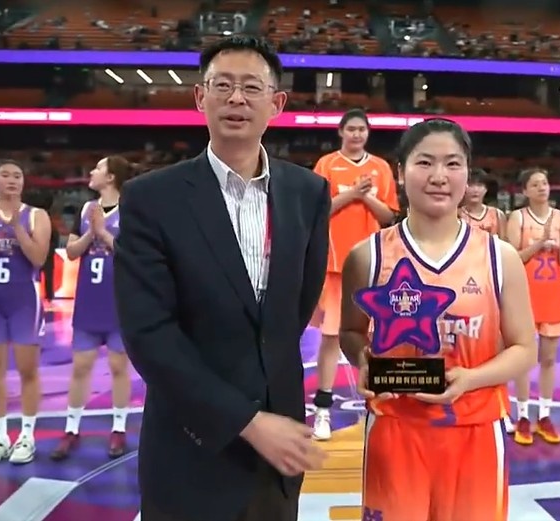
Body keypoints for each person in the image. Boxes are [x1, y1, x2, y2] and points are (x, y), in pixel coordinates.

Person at [113, 36, 329, 521]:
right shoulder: (151, 198)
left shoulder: (308, 193)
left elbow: (291, 314)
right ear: (200, 97)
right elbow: (149, 334)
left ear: (276, 104)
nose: (236, 98)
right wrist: (246, 421)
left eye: (252, 87)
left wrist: (267, 420)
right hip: (189, 450)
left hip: (277, 456)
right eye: (223, 85)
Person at [340, 119, 538, 521]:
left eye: (452, 164)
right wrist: (364, 361)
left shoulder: (500, 256)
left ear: (468, 174)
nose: (439, 176)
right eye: (425, 162)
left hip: (476, 430)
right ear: (400, 172)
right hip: (396, 428)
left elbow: (524, 349)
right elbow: (350, 332)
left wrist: (471, 379)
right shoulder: (367, 256)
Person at [311, 109, 399, 441]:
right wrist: (352, 193)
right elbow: (319, 210)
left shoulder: (381, 167)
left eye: (362, 129)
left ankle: (380, 403)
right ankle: (322, 409)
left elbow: (388, 216)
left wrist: (367, 197)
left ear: (367, 133)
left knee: (379, 336)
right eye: (351, 129)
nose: (357, 134)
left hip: (374, 263)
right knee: (331, 337)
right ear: (341, 132)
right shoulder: (326, 164)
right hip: (336, 263)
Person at [51, 156, 135, 461]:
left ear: (111, 177)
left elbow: (133, 255)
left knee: (118, 367)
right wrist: (91, 232)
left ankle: (119, 428)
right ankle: (71, 429)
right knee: (81, 367)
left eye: (98, 168)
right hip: (88, 302)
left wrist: (104, 234)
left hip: (118, 303)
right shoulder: (86, 209)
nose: (91, 172)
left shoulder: (132, 210)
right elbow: (72, 252)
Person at [505, 168, 560, 445]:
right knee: (524, 358)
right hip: (524, 295)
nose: (542, 188)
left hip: (553, 293)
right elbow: (513, 258)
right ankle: (522, 415)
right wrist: (540, 243)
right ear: (525, 191)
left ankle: (544, 415)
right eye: (535, 184)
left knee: (548, 359)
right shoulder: (517, 217)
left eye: (544, 183)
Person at [0, 160, 51, 465]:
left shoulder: (36, 215)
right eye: (6, 175)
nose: (12, 180)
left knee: (28, 370)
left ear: (23, 183)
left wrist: (16, 227)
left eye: (17, 175)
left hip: (24, 300)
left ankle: (27, 436)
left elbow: (39, 258)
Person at [459, 168, 506, 236]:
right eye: (471, 185)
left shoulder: (497, 214)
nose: (475, 190)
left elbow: (503, 240)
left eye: (479, 185)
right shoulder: (457, 215)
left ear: (486, 189)